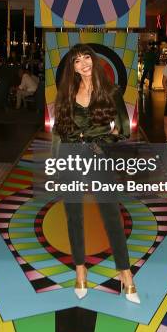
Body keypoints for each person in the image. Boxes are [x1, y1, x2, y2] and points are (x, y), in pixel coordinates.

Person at [53, 44, 139, 304]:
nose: (83, 63)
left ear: (94, 59)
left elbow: (123, 129)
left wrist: (100, 145)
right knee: (74, 216)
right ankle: (80, 269)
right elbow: (59, 130)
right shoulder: (66, 92)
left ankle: (125, 273)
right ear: (73, 67)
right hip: (70, 157)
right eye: (77, 60)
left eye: (86, 57)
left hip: (97, 159)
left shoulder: (111, 91)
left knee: (111, 215)